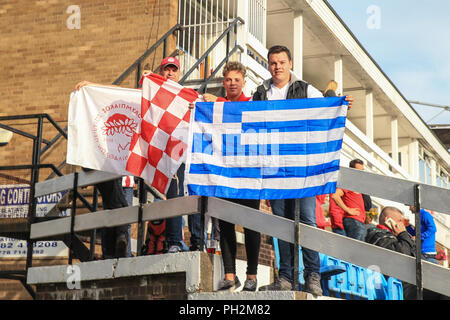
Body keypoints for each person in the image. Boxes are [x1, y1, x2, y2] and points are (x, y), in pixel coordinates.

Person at [254, 45, 354, 295]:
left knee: (307, 221)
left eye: (282, 62)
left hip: (303, 170)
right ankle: (286, 277)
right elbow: (248, 122)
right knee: (282, 224)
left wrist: (342, 105)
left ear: (290, 64)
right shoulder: (260, 93)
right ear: (269, 65)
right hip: (275, 170)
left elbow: (326, 110)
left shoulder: (306, 89)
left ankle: (313, 276)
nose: (277, 67)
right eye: (273, 62)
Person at [202, 61, 261, 292]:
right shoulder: (215, 106)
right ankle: (230, 275)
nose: (232, 83)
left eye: (237, 79)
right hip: (224, 174)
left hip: (248, 174)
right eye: (228, 80)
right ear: (223, 82)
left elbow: (242, 115)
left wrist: (217, 101)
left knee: (250, 225)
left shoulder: (252, 103)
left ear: (244, 82)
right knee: (225, 223)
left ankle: (252, 276)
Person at [365, 206, 448, 300]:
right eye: (400, 220)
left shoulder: (396, 237)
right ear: (388, 220)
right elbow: (401, 256)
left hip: (413, 281)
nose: (402, 225)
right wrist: (403, 234)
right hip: (400, 285)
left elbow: (417, 256)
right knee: (445, 288)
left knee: (445, 284)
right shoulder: (378, 234)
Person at [331, 159, 367, 241]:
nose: (361, 173)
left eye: (362, 171)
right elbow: (335, 195)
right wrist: (348, 210)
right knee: (355, 250)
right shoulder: (349, 182)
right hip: (354, 221)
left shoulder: (357, 183)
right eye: (359, 171)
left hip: (358, 221)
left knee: (356, 250)